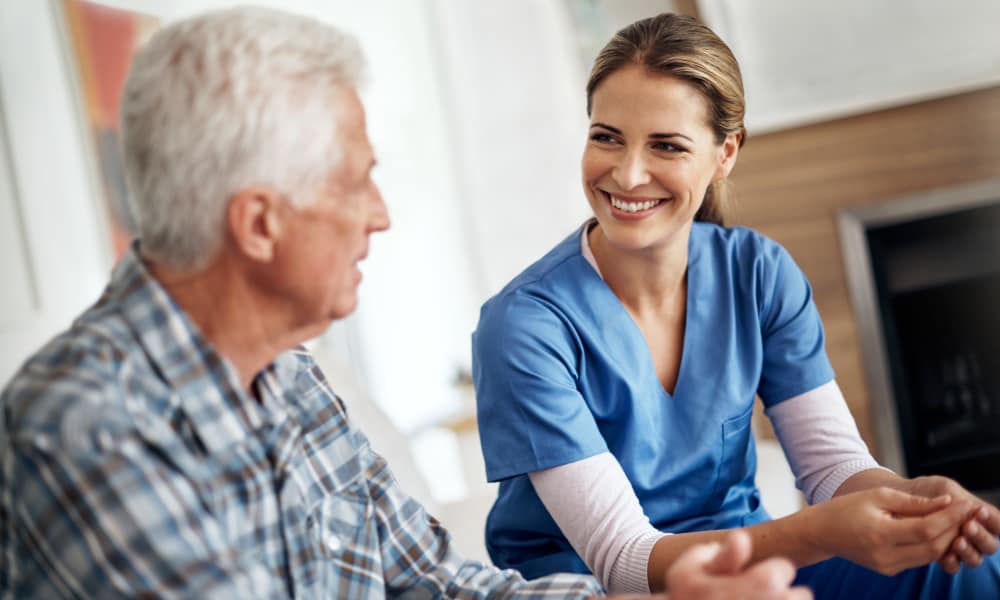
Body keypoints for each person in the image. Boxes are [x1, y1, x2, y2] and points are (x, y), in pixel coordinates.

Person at [0, 6, 811, 599]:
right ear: (258, 223)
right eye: (357, 179)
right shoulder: (82, 424)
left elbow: (435, 583)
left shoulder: (293, 382)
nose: (379, 213)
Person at [471, 12, 1000, 599]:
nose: (627, 173)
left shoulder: (757, 273)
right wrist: (822, 532)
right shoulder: (524, 325)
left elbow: (833, 471)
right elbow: (623, 559)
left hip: (752, 566)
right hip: (604, 589)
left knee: (966, 572)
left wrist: (910, 504)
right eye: (606, 137)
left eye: (666, 145)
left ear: (725, 153)